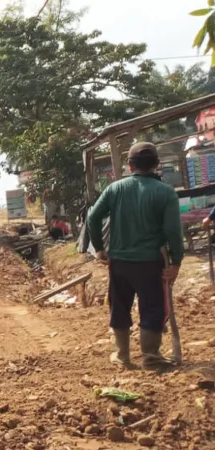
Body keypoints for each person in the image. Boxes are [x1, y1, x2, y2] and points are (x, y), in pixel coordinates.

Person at [87, 141, 184, 370]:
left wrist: (99, 248)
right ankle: (151, 357)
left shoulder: (114, 189)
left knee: (119, 306)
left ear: (130, 166)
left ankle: (122, 356)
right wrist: (177, 260)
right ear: (157, 165)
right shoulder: (166, 193)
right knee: (153, 306)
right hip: (151, 262)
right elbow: (173, 231)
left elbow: (92, 217)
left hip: (119, 262)